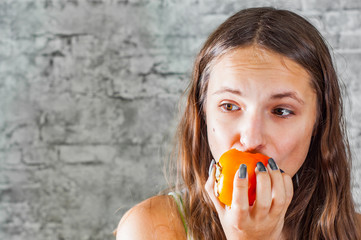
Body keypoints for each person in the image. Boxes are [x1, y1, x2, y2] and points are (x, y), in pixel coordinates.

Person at [115, 7, 361, 239]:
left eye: (281, 110)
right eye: (230, 106)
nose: (251, 139)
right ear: (203, 114)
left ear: (319, 122)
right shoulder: (152, 228)